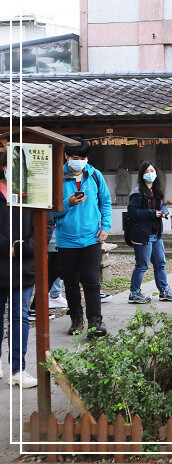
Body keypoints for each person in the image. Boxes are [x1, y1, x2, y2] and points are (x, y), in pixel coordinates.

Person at [52, 139, 111, 338]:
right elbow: (50, 211)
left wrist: (105, 227)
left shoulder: (94, 175)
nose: (80, 162)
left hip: (91, 237)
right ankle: (76, 319)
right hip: (66, 239)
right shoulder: (57, 176)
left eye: (83, 158)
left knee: (92, 280)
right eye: (75, 158)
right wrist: (67, 203)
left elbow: (105, 202)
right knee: (70, 282)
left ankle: (95, 321)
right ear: (66, 156)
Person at [0, 151, 44, 387]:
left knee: (20, 316)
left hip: (23, 266)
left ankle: (18, 369)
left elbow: (46, 224)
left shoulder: (34, 193)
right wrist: (7, 245)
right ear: (4, 167)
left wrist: (24, 247)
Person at [127, 161, 172, 304]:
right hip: (142, 235)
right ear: (141, 175)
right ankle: (134, 292)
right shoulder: (137, 193)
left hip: (156, 234)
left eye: (152, 171)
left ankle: (164, 291)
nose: (150, 174)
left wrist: (164, 212)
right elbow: (132, 213)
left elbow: (163, 205)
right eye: (146, 172)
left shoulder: (157, 191)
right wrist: (152, 213)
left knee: (160, 263)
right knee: (142, 265)